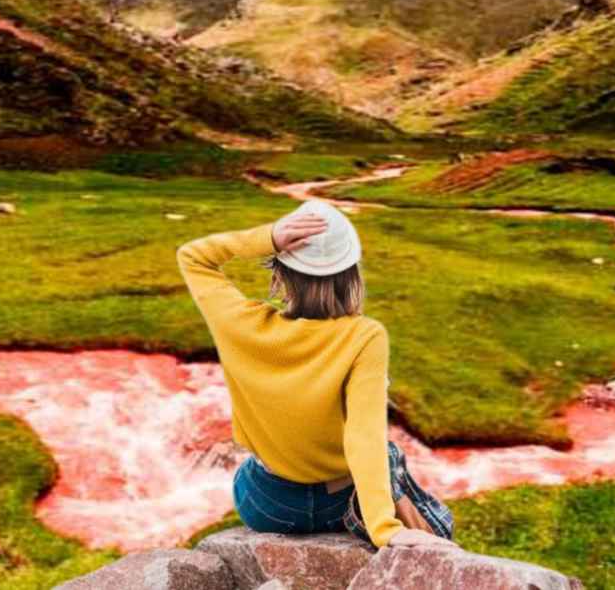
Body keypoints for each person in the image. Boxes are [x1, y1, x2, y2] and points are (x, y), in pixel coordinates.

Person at [176, 199, 455, 549]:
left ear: (279, 273)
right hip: (338, 506)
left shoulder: (239, 322)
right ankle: (422, 526)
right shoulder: (364, 336)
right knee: (388, 453)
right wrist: (384, 528)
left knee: (248, 471)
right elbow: (364, 436)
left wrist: (269, 237)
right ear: (351, 275)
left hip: (267, 506)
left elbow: (192, 255)